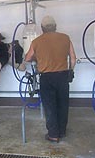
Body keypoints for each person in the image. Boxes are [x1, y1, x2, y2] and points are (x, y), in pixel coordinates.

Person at [24, 15, 76, 143]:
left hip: (47, 77)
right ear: (55, 26)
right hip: (63, 76)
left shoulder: (36, 41)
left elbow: (27, 58)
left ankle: (53, 134)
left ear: (42, 28)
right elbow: (73, 58)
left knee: (50, 106)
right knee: (63, 104)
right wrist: (70, 71)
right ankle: (62, 131)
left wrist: (39, 57)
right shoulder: (65, 38)